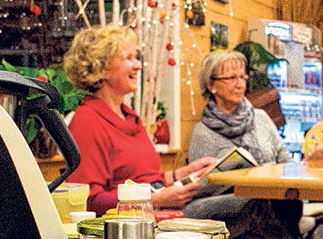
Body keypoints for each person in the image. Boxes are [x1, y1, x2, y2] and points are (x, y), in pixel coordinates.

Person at [62, 24, 215, 215]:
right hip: (133, 222)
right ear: (101, 68)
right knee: (244, 204)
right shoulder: (87, 121)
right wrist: (157, 199)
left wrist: (182, 173)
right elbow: (89, 200)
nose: (138, 65)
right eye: (128, 58)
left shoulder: (130, 117)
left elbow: (143, 179)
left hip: (156, 211)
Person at [184, 50, 304, 239]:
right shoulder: (202, 133)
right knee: (265, 208)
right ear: (212, 85)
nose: (240, 84)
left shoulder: (260, 118)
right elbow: (203, 187)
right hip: (229, 205)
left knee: (283, 211)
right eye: (231, 78)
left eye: (242, 77)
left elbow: (285, 159)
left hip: (273, 199)